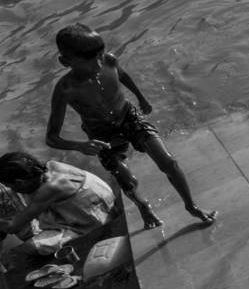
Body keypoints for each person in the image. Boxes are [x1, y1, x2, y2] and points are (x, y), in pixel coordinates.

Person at [46, 23, 216, 230]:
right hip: (101, 133)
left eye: (100, 56)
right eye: (89, 62)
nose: (98, 65)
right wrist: (79, 146)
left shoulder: (109, 61)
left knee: (169, 162)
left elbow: (123, 76)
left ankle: (191, 205)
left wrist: (141, 97)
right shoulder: (65, 90)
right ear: (65, 62)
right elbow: (51, 137)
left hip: (128, 116)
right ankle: (143, 206)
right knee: (128, 181)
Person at [0, 151, 117, 245]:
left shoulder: (49, 189)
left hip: (93, 222)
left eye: (9, 185)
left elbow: (12, 227)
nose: (10, 189)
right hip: (87, 205)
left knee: (30, 247)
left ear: (19, 182)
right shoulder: (47, 167)